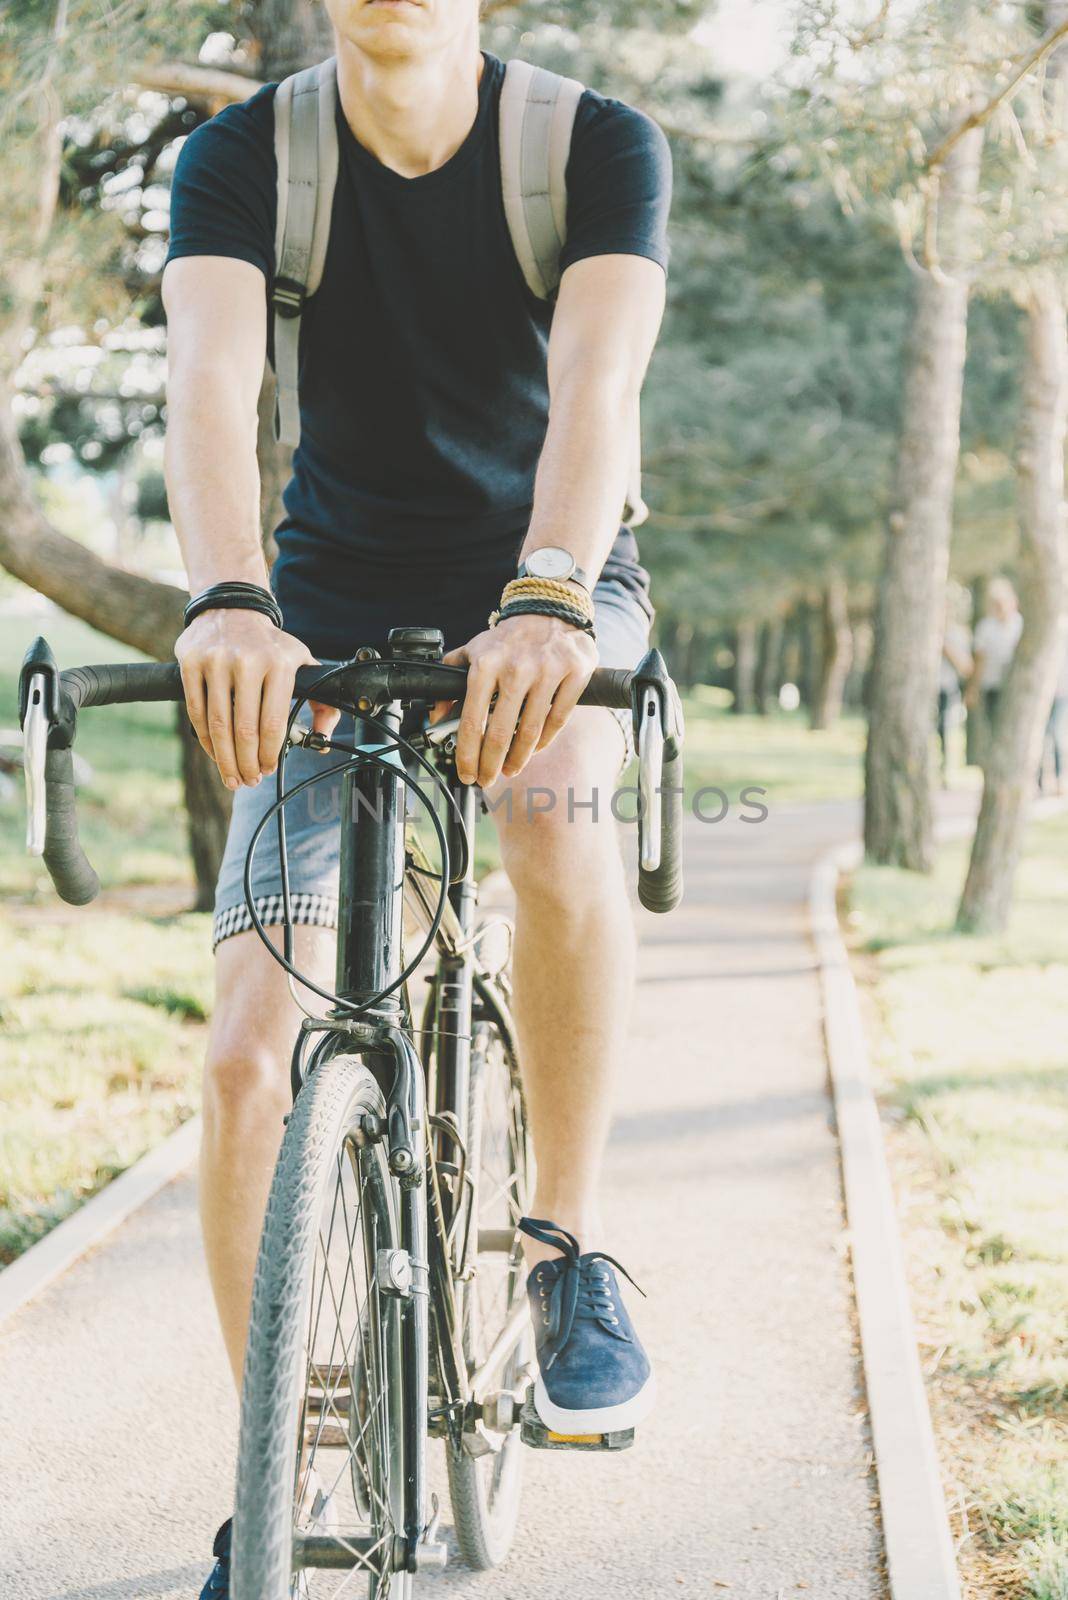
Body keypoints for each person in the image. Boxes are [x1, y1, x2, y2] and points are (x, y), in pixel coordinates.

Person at [161, 2, 671, 1592]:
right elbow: (208, 382)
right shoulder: (244, 156)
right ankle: (275, 1466)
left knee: (552, 810)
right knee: (250, 1060)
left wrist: (545, 594)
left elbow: (598, 383)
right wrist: (229, 596)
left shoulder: (590, 146)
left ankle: (562, 1254)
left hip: (557, 579)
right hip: (315, 611)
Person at [965, 577, 1022, 740]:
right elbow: (979, 660)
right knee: (995, 729)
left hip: (1014, 686)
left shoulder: (1020, 624)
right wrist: (973, 688)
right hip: (992, 686)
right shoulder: (986, 627)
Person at [936, 594, 972, 783]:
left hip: (946, 689)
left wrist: (944, 646)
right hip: (925, 691)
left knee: (945, 731)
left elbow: (966, 667)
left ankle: (944, 771)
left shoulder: (957, 635)